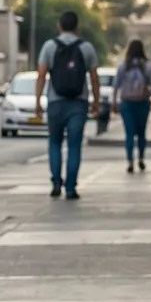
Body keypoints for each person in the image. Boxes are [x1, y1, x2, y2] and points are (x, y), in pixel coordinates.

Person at [35, 11, 100, 199]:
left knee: (54, 142)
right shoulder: (87, 48)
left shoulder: (49, 46)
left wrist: (38, 101)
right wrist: (95, 102)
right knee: (74, 145)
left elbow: (41, 75)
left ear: (59, 26)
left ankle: (56, 182)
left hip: (55, 102)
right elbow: (94, 79)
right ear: (77, 26)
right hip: (78, 104)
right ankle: (71, 187)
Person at [116, 40, 151, 173]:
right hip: (142, 103)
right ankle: (141, 158)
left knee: (129, 133)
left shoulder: (124, 65)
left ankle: (130, 160)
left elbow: (116, 85)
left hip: (127, 103)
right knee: (141, 133)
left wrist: (113, 102)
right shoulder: (147, 66)